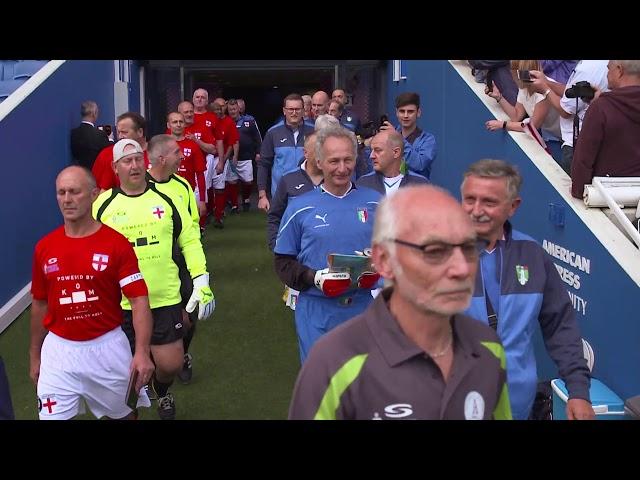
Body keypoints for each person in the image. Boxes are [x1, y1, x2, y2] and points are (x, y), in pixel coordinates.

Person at [288, 185, 512, 419]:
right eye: (434, 250)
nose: (461, 268)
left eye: (468, 248)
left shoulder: (489, 349)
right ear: (384, 261)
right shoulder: (333, 363)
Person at [460, 159, 594, 420]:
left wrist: (578, 390)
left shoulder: (533, 255)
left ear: (513, 207)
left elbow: (560, 326)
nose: (476, 210)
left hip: (516, 405)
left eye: (489, 202)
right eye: (469, 199)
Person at [93, 139, 215, 419]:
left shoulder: (167, 199)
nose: (134, 165)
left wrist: (201, 279)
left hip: (163, 297)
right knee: (123, 374)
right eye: (127, 161)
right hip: (119, 303)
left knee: (170, 364)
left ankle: (161, 390)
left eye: (138, 159)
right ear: (115, 168)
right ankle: (130, 408)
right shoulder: (103, 204)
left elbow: (190, 239)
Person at [30, 166, 154, 420]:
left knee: (125, 417)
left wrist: (141, 351)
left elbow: (138, 299)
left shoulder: (116, 244)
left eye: (75, 192)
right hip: (58, 352)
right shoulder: (45, 247)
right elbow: (40, 304)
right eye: (61, 193)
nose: (67, 199)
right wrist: (35, 355)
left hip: (107, 349)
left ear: (94, 194)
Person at [274, 126, 382, 363]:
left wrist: (378, 261)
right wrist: (314, 277)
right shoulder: (299, 207)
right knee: (322, 388)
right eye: (334, 161)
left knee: (362, 387)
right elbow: (283, 262)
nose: (342, 169)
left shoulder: (376, 203)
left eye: (348, 160)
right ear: (319, 162)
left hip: (363, 308)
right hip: (317, 311)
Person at [145, 134, 200, 384]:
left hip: (181, 260)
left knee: (191, 314)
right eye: (177, 153)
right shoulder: (140, 187)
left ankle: (182, 353)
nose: (182, 156)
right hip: (153, 263)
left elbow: (193, 223)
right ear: (161, 158)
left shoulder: (182, 185)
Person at [571, 60, 640, 198]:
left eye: (609, 69)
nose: (607, 75)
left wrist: (578, 192)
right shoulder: (603, 106)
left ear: (619, 70)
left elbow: (583, 159)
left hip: (604, 198)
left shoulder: (601, 108)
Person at [529, 60, 609, 174]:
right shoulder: (599, 64)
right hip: (590, 143)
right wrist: (547, 82)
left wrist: (545, 90)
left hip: (577, 145)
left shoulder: (589, 67)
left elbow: (566, 111)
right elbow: (572, 93)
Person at [257, 93, 314, 211]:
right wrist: (262, 195)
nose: (294, 113)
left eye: (297, 109)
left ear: (303, 111)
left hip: (308, 194)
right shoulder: (273, 133)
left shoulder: (314, 132)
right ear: (284, 111)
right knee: (280, 229)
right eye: (290, 109)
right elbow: (263, 164)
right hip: (281, 195)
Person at [380, 92, 437, 180]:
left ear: (418, 113)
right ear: (396, 113)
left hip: (416, 191)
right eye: (402, 111)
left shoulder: (428, 140)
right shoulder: (388, 135)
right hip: (391, 189)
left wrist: (397, 138)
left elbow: (419, 164)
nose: (406, 115)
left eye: (410, 112)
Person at [92, 112, 150, 193]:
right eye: (118, 132)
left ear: (140, 132)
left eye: (124, 132)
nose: (120, 136)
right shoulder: (107, 154)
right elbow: (97, 189)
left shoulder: (156, 153)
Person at [357, 129, 428, 195]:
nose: (371, 156)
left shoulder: (420, 184)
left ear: (396, 152)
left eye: (378, 150)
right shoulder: (363, 183)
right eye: (371, 150)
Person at [227, 98, 262, 212]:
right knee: (232, 181)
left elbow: (257, 137)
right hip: (231, 157)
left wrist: (258, 152)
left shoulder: (249, 120)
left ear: (239, 109)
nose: (233, 111)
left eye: (234, 109)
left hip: (246, 156)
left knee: (248, 181)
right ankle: (234, 205)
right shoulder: (225, 121)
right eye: (230, 109)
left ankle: (246, 199)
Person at [70, 100, 112, 169]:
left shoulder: (73, 133)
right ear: (94, 114)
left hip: (80, 173)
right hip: (96, 173)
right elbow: (108, 153)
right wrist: (110, 139)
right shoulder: (100, 134)